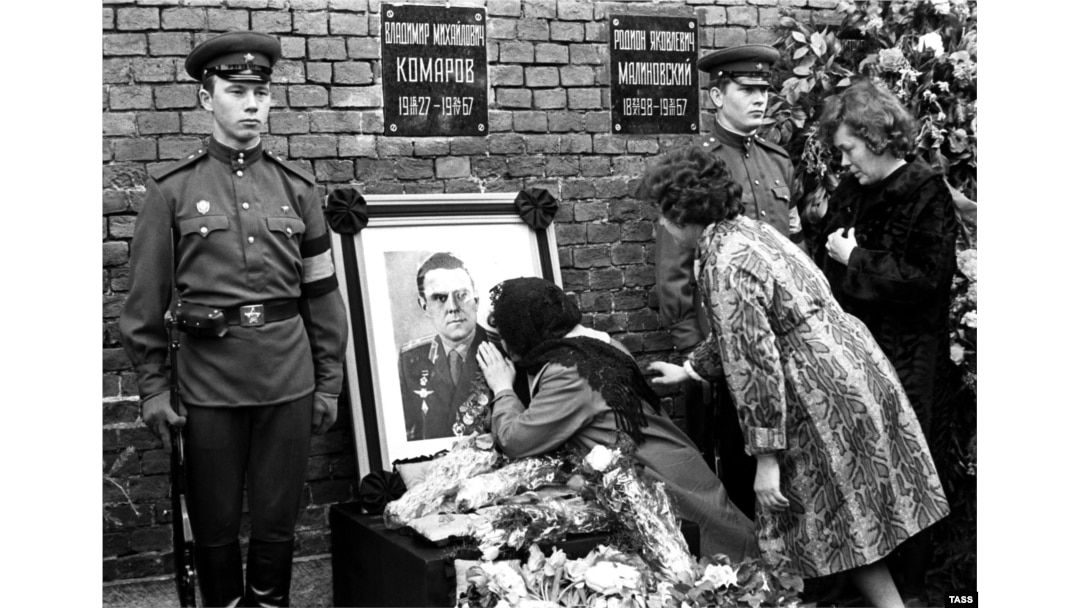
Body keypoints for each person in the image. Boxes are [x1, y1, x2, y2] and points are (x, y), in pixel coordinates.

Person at [643, 146, 948, 608]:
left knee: (801, 526)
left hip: (816, 396)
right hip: (854, 375)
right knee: (848, 522)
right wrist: (689, 369)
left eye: (664, 215)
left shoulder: (726, 262)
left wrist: (767, 461)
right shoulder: (753, 232)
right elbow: (750, 333)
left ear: (685, 214)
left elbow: (754, 365)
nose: (663, 226)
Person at [119, 31, 348, 607]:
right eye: (237, 90)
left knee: (277, 523)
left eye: (261, 93)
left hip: (287, 383)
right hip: (208, 385)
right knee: (216, 527)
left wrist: (328, 383)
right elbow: (144, 304)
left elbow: (321, 295)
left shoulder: (298, 191)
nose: (252, 104)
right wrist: (152, 390)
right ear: (206, 98)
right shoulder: (172, 191)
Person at [476, 277, 758, 562]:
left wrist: (502, 387)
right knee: (725, 543)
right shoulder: (600, 343)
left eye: (508, 336)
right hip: (674, 462)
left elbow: (516, 440)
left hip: (657, 477)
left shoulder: (569, 369)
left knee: (718, 560)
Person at [813, 79, 960, 603]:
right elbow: (822, 257)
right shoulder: (852, 190)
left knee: (909, 476)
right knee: (858, 473)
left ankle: (910, 590)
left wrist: (856, 261)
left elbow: (927, 279)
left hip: (909, 363)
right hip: (854, 362)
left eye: (849, 148)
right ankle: (861, 587)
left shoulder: (924, 191)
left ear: (876, 137)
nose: (845, 160)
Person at [652, 44, 805, 520]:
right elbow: (673, 271)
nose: (760, 99)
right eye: (747, 89)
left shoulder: (778, 161)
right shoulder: (698, 165)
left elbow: (794, 253)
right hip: (720, 349)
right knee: (733, 477)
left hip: (784, 350)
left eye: (765, 90)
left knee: (791, 472)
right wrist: (695, 355)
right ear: (718, 96)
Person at [398, 252, 492, 441]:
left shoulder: (501, 351)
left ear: (476, 299)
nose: (453, 307)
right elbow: (409, 433)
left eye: (462, 295)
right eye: (440, 298)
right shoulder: (411, 359)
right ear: (424, 306)